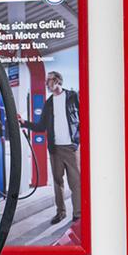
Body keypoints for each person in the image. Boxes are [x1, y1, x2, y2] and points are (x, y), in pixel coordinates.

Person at [21, 71, 81, 224]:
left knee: (76, 183)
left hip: (71, 148)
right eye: (46, 81)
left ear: (57, 80)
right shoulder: (48, 103)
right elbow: (41, 126)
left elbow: (83, 119)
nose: (46, 84)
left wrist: (78, 140)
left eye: (49, 80)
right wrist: (24, 123)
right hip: (55, 150)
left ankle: (78, 214)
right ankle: (61, 212)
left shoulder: (72, 96)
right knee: (57, 182)